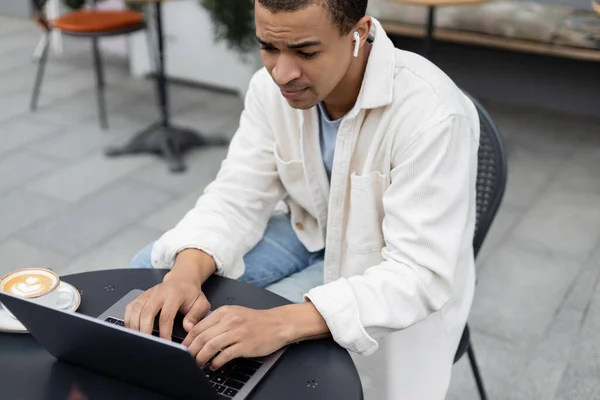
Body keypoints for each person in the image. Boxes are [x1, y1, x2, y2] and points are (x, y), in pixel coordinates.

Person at [125, 0, 480, 398]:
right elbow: (237, 192)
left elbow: (420, 274)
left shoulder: (431, 115)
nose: (282, 73)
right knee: (153, 275)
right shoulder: (267, 88)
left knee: (259, 359)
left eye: (306, 52)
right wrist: (185, 275)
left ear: (358, 33)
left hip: (383, 266)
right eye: (269, 47)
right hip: (308, 228)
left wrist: (278, 324)